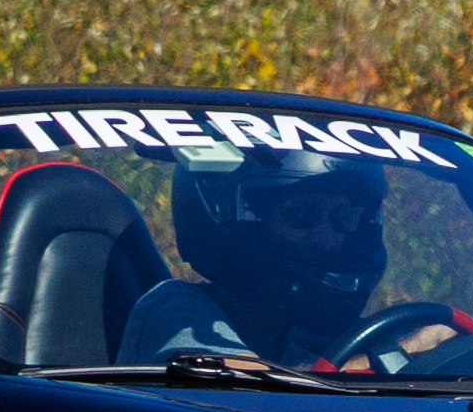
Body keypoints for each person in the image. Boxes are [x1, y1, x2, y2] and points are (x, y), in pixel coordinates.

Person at [122, 137, 420, 367]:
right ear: (244, 224)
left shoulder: (289, 341)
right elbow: (254, 402)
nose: (328, 240)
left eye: (344, 218)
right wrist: (410, 351)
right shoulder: (175, 311)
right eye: (301, 216)